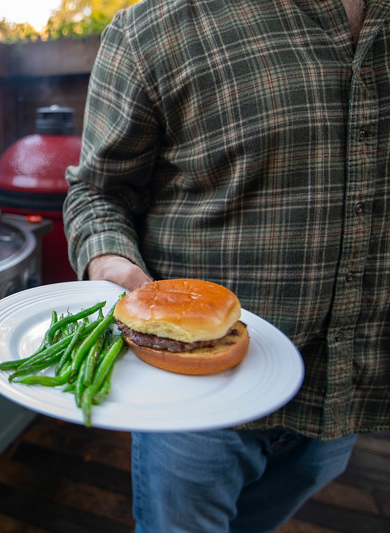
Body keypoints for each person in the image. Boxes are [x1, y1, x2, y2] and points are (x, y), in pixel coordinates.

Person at [63, 0, 389, 531]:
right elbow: (98, 191)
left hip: (345, 390)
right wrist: (110, 258)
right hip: (193, 404)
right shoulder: (156, 26)